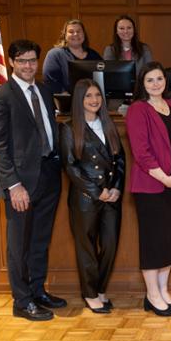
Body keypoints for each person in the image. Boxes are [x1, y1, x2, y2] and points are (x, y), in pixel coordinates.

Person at [0, 39, 66, 321]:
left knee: (40, 240)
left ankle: (37, 290)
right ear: (11, 63)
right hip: (21, 183)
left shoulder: (43, 90)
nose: (29, 66)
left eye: (32, 61)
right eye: (22, 61)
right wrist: (13, 184)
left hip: (48, 175)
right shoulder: (0, 96)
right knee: (19, 243)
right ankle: (21, 302)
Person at [125, 62, 171, 317]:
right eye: (150, 80)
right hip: (151, 187)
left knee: (170, 240)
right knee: (153, 241)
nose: (156, 84)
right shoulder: (137, 110)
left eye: (159, 79)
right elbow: (141, 154)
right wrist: (165, 178)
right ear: (142, 85)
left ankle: (164, 290)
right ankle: (152, 294)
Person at [60, 79, 125, 314]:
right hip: (86, 199)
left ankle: (100, 289)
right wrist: (99, 192)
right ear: (79, 100)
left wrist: (116, 187)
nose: (94, 100)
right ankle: (90, 293)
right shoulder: (69, 128)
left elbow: (120, 160)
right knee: (86, 248)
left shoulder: (108, 125)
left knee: (109, 244)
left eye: (97, 95)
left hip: (112, 198)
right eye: (88, 96)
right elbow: (70, 166)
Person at [43, 19, 102, 94]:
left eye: (79, 31)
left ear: (84, 34)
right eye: (71, 32)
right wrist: (63, 95)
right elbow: (50, 80)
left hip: (93, 99)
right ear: (65, 35)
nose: (75, 34)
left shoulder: (94, 55)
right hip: (65, 101)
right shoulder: (55, 54)